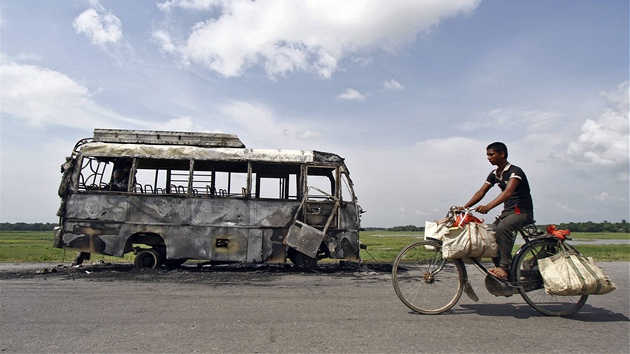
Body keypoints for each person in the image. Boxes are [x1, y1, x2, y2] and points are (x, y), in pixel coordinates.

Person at [461, 142, 534, 280]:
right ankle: (506, 272)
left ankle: (504, 267)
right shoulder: (495, 174)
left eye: (491, 154)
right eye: (487, 155)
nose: (488, 158)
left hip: (522, 212)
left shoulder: (515, 171)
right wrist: (465, 207)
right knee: (490, 235)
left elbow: (507, 193)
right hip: (508, 212)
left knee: (503, 228)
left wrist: (488, 207)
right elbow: (481, 191)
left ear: (502, 154)